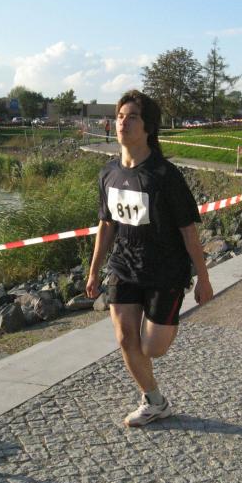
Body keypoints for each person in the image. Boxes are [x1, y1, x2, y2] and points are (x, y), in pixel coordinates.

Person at [86, 90, 214, 427]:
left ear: (148, 127)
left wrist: (203, 278)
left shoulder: (164, 175)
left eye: (132, 117)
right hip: (124, 264)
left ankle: (163, 323)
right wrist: (94, 271)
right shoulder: (108, 173)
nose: (123, 123)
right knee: (125, 338)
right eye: (119, 117)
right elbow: (106, 225)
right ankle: (154, 401)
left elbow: (188, 231)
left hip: (165, 269)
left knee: (153, 347)